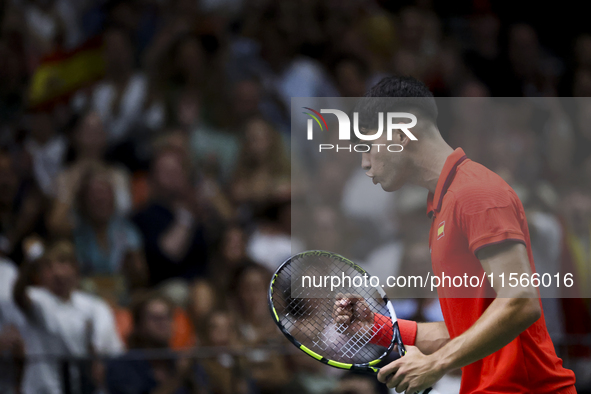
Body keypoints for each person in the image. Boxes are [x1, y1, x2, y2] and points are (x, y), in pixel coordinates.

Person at [333, 76, 576, 393]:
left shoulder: (476, 193)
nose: (365, 163)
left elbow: (521, 300)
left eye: (367, 147)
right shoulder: (443, 205)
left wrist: (437, 363)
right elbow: (469, 330)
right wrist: (380, 327)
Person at [106, 292, 209, 394]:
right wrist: (178, 377)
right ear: (139, 326)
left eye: (168, 317)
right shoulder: (122, 367)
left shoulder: (183, 362)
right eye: (156, 318)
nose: (163, 323)